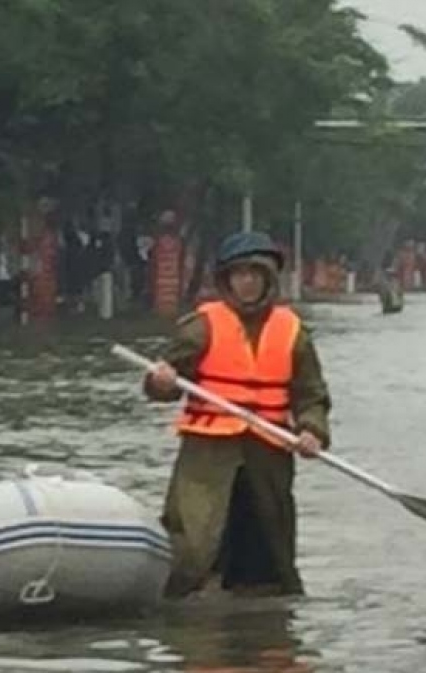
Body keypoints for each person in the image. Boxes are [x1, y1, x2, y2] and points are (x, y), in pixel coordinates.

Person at [142, 230, 332, 599]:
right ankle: (188, 601)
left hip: (268, 455)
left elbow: (312, 396)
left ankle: (263, 608)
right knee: (197, 539)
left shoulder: (293, 335)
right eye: (239, 275)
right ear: (227, 280)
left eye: (255, 274)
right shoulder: (200, 328)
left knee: (269, 545)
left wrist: (312, 430)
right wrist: (161, 383)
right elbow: (161, 382)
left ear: (267, 279)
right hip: (207, 457)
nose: (246, 283)